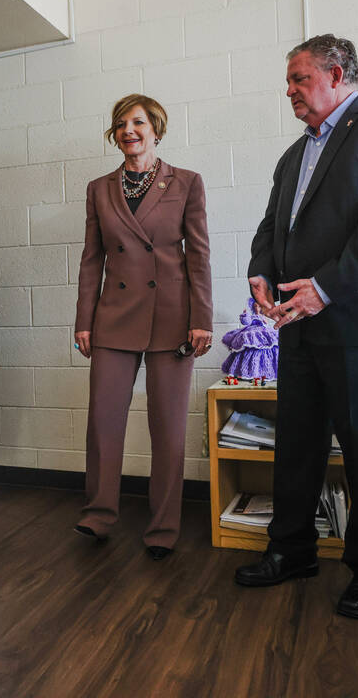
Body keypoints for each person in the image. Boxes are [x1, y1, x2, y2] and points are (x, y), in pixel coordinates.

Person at [235, 35, 358, 618]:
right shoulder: (295, 154)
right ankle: (291, 550)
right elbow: (273, 226)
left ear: (336, 72)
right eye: (289, 81)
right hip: (296, 322)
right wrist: (261, 274)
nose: (289, 91)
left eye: (298, 79)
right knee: (295, 445)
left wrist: (322, 288)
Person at [73, 93, 213, 561]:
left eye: (137, 122)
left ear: (156, 129)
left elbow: (198, 256)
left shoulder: (187, 183)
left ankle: (163, 526)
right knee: (103, 421)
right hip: (112, 316)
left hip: (172, 319)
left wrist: (202, 320)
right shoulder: (99, 188)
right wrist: (84, 321)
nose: (128, 131)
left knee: (168, 427)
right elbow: (92, 260)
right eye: (120, 124)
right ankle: (98, 514)